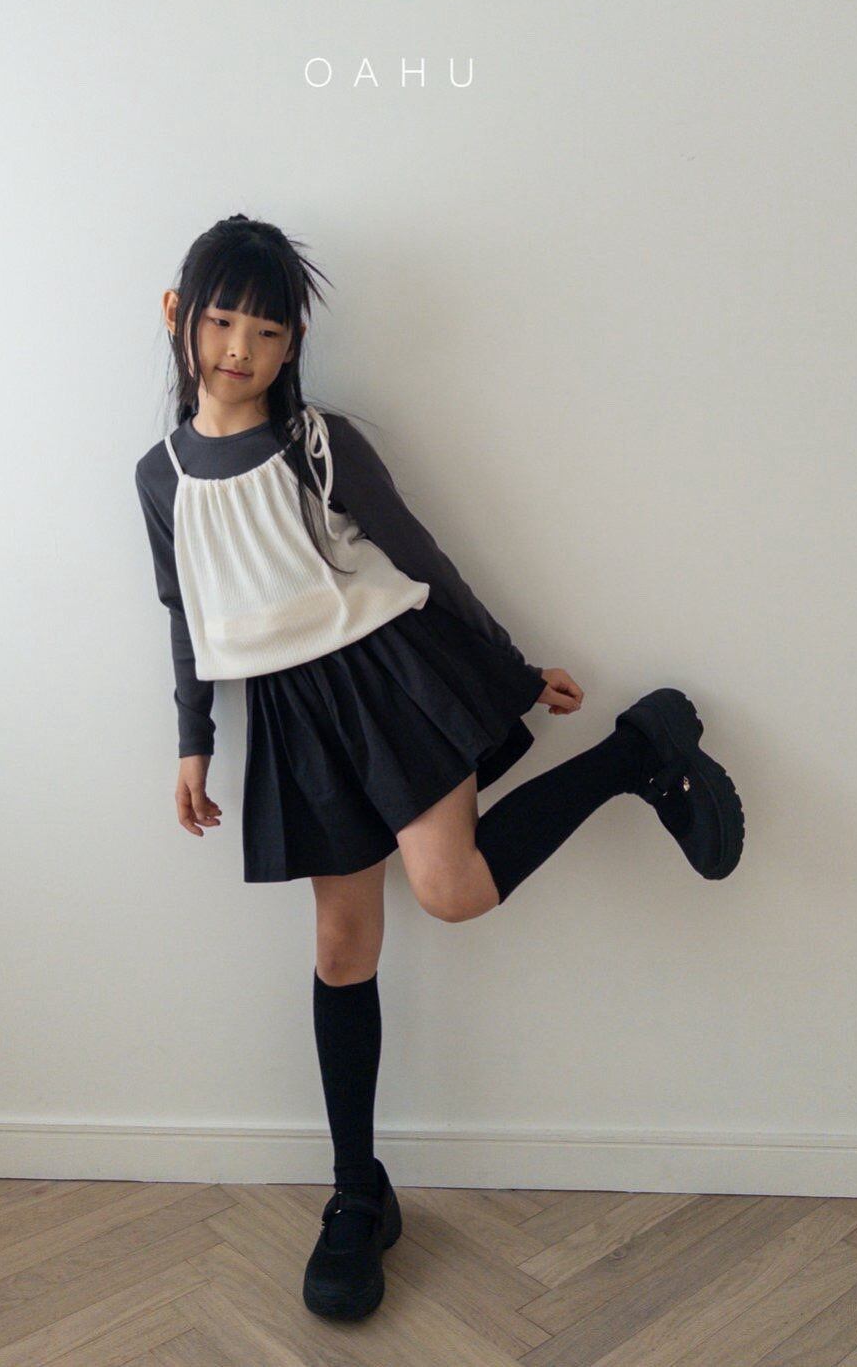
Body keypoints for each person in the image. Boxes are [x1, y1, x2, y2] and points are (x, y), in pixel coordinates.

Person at [134, 212, 745, 1321]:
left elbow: (419, 554)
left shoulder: (316, 442)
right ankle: (357, 1195)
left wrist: (512, 670)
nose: (239, 349)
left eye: (266, 331)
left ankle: (635, 751)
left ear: (294, 340)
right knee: (341, 948)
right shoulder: (160, 474)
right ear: (179, 316)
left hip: (386, 678)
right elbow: (184, 611)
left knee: (450, 890)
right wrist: (193, 739)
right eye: (220, 322)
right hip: (288, 720)